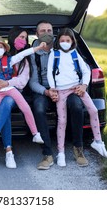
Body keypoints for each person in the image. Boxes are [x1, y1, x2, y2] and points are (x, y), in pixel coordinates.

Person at [29, 20, 90, 169]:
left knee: (76, 105)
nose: (47, 33)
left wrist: (83, 85)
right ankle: (47, 154)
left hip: (68, 88)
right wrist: (47, 91)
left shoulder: (65, 44)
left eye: (49, 30)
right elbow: (32, 82)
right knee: (38, 108)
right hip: (44, 90)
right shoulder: (33, 54)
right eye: (42, 31)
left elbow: (84, 67)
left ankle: (78, 149)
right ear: (36, 35)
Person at [47, 27, 107, 167]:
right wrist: (52, 88)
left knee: (93, 111)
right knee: (62, 121)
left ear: (72, 41)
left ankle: (98, 142)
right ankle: (61, 152)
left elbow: (86, 71)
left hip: (77, 88)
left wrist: (84, 86)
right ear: (58, 41)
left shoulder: (75, 53)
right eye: (62, 40)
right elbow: (50, 73)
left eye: (67, 40)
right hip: (61, 91)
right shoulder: (54, 54)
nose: (64, 42)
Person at [0, 27, 33, 168]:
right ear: (13, 38)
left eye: (25, 39)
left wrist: (7, 83)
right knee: (5, 111)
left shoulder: (23, 61)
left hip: (12, 93)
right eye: (20, 37)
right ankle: (9, 152)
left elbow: (22, 81)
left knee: (7, 103)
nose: (23, 41)